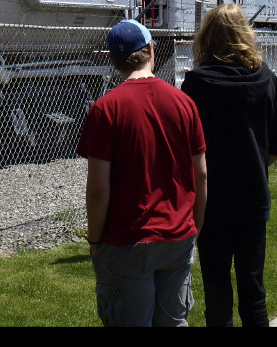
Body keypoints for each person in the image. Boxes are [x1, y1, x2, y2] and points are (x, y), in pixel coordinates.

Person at [76, 19, 207, 327]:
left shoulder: (105, 110)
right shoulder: (184, 104)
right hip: (178, 235)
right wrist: (194, 227)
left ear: (113, 60)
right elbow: (201, 174)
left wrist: (95, 241)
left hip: (127, 241)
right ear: (150, 50)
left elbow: (97, 189)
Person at [182, 3, 277, 327]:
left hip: (211, 203)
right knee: (254, 295)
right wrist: (258, 163)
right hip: (253, 198)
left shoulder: (197, 84)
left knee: (217, 298)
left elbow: (187, 148)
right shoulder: (266, 78)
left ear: (208, 37)